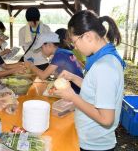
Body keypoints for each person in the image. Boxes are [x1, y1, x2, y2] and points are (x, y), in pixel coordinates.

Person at [50, 10, 125, 151]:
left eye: (75, 42)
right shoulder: (105, 58)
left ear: (88, 36)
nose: (75, 47)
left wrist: (73, 97)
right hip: (91, 138)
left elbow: (106, 119)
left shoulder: (104, 67)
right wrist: (73, 78)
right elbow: (96, 90)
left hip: (95, 145)